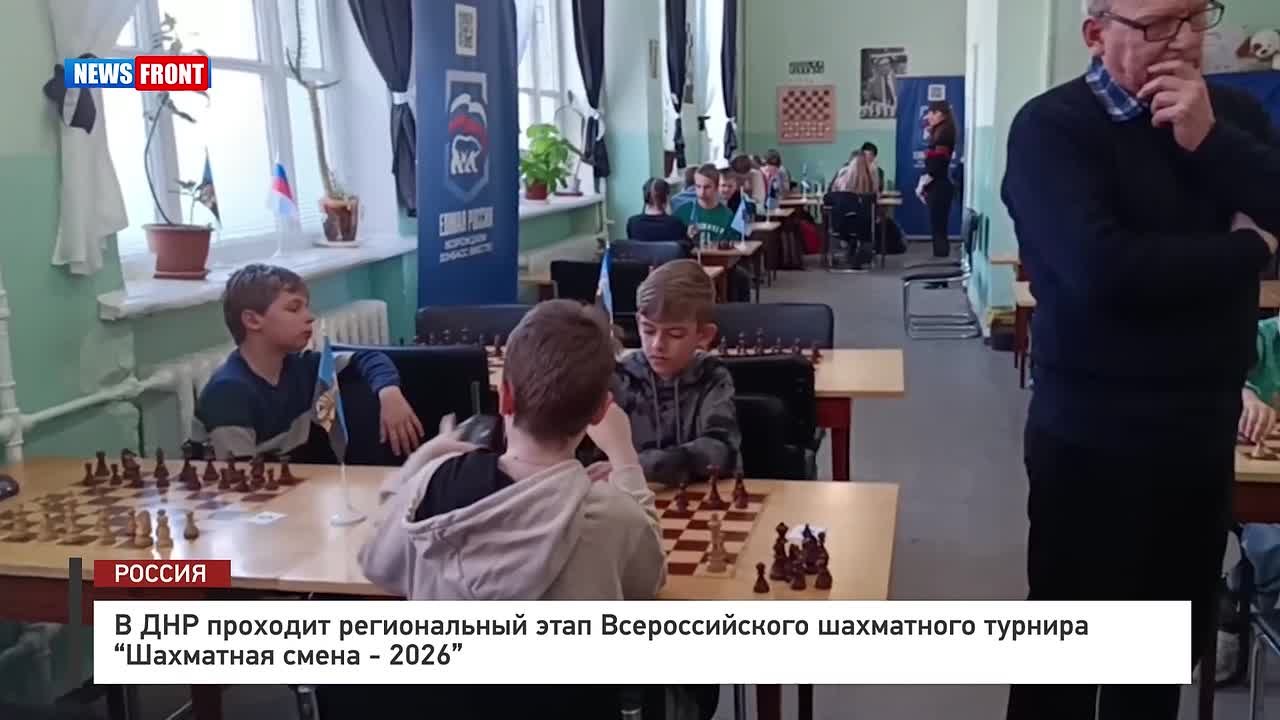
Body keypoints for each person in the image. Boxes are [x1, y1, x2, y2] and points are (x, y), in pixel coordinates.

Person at [1001, 0, 1280, 717]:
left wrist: (1209, 141)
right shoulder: (1051, 129)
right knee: (1062, 666)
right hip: (1091, 436)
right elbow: (1104, 273)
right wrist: (1248, 249)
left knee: (1155, 671)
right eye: (1157, 24)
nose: (1183, 39)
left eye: (1195, 16)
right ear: (1096, 35)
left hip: (1199, 435)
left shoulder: (1234, 119)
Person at [353, 299, 669, 716]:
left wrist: (423, 460)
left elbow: (376, 564)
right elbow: (649, 579)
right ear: (598, 413)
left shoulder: (432, 486)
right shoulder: (610, 514)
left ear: (504, 396)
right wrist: (625, 458)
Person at [194, 264, 424, 460]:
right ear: (252, 320)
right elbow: (240, 485)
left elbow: (367, 357)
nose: (310, 317)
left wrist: (389, 393)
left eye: (306, 307)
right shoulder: (228, 392)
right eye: (294, 308)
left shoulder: (301, 366)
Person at [610, 260, 741, 486]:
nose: (657, 345)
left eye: (675, 334)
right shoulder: (620, 377)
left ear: (704, 335)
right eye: (648, 330)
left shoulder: (712, 376)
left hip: (696, 498)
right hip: (630, 498)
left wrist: (636, 465)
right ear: (637, 323)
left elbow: (720, 449)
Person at [920, 101, 957, 258]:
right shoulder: (939, 131)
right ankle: (939, 262)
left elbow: (937, 164)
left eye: (930, 113)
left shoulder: (944, 133)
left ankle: (941, 265)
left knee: (939, 228)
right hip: (938, 184)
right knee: (937, 228)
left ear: (939, 114)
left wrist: (923, 183)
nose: (928, 117)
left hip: (940, 186)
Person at [626, 178, 687, 245]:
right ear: (666, 197)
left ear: (645, 197)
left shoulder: (632, 223)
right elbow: (684, 248)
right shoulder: (676, 224)